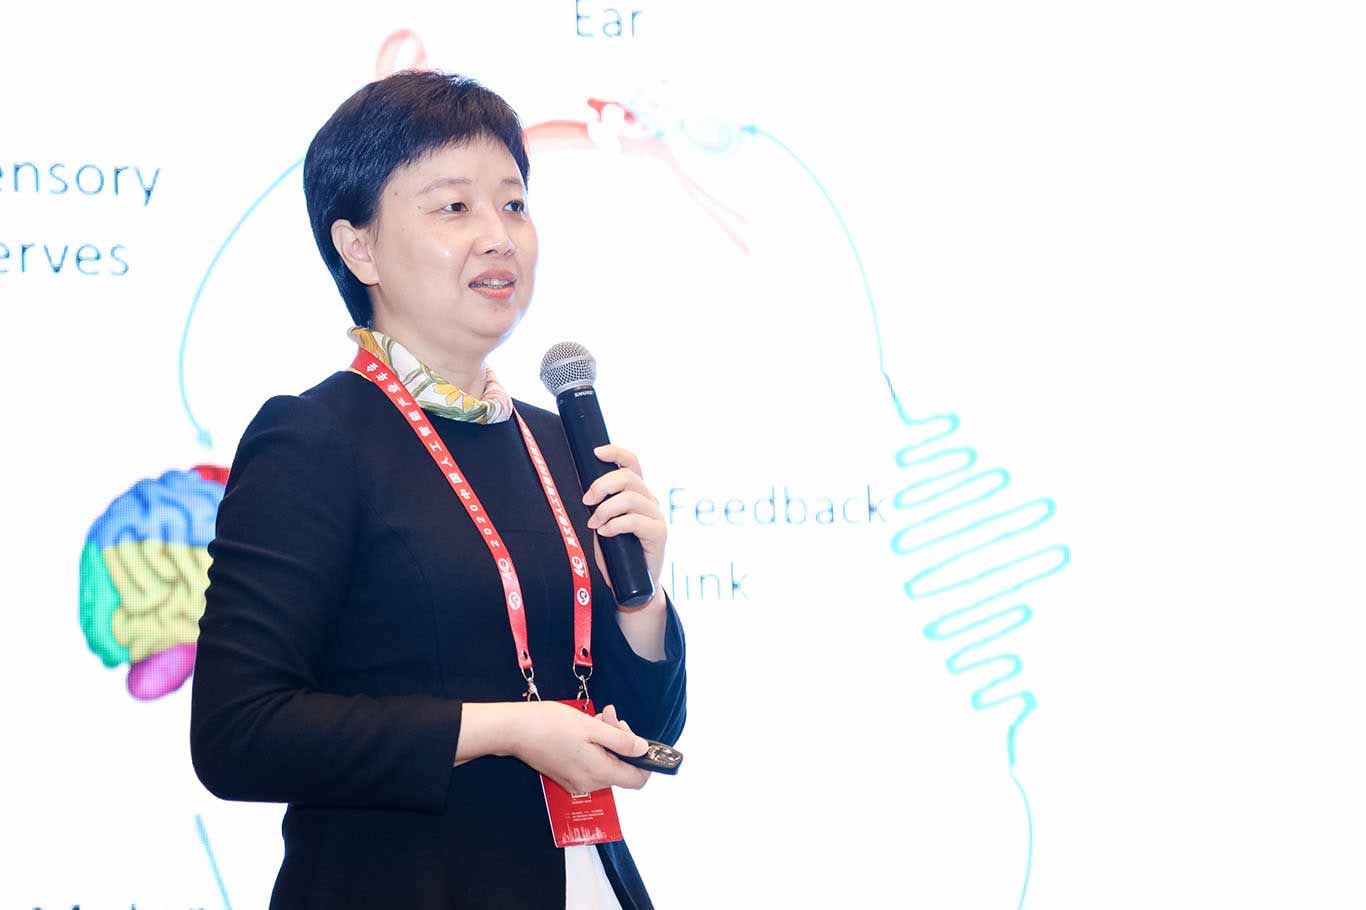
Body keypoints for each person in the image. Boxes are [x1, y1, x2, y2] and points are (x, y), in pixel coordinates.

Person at [189, 70, 686, 910]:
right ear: (360, 249)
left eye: (514, 204)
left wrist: (640, 601)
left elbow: (647, 730)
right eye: (454, 207)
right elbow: (240, 733)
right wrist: (504, 729)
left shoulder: (560, 442)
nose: (499, 236)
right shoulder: (313, 438)